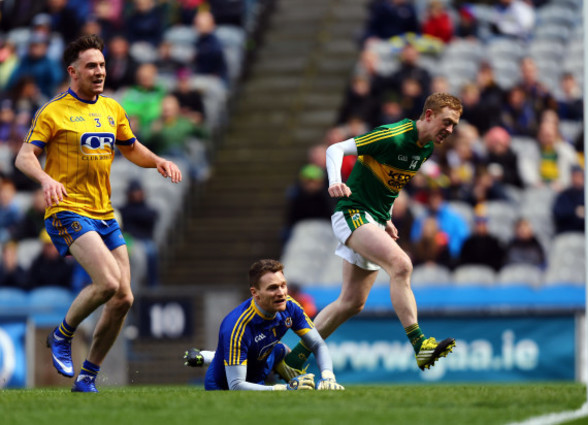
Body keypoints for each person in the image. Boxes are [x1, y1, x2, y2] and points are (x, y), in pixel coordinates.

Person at [14, 34, 182, 393]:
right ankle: (62, 335)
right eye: (91, 65)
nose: (99, 71)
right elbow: (24, 156)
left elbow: (132, 148)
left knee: (124, 296)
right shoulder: (53, 111)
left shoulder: (112, 109)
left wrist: (159, 162)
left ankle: (87, 376)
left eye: (103, 65)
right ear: (73, 71)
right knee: (107, 282)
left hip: (104, 212)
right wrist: (45, 180)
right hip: (67, 208)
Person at [281, 93, 462, 373]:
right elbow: (334, 149)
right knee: (401, 265)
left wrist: (386, 217)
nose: (450, 130)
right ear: (428, 115)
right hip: (352, 212)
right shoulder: (393, 135)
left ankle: (291, 361)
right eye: (447, 122)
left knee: (351, 303)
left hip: (373, 218)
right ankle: (420, 346)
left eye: (454, 126)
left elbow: (389, 185)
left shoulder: (424, 149)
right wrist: (335, 182)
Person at [183, 259, 343, 391]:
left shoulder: (289, 306)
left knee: (280, 349)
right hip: (223, 387)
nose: (281, 293)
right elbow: (236, 386)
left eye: (283, 285)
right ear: (255, 293)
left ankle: (283, 365)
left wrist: (328, 376)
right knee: (267, 349)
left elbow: (317, 343)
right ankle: (207, 357)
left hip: (261, 366)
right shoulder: (237, 326)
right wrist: (284, 389)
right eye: (273, 288)